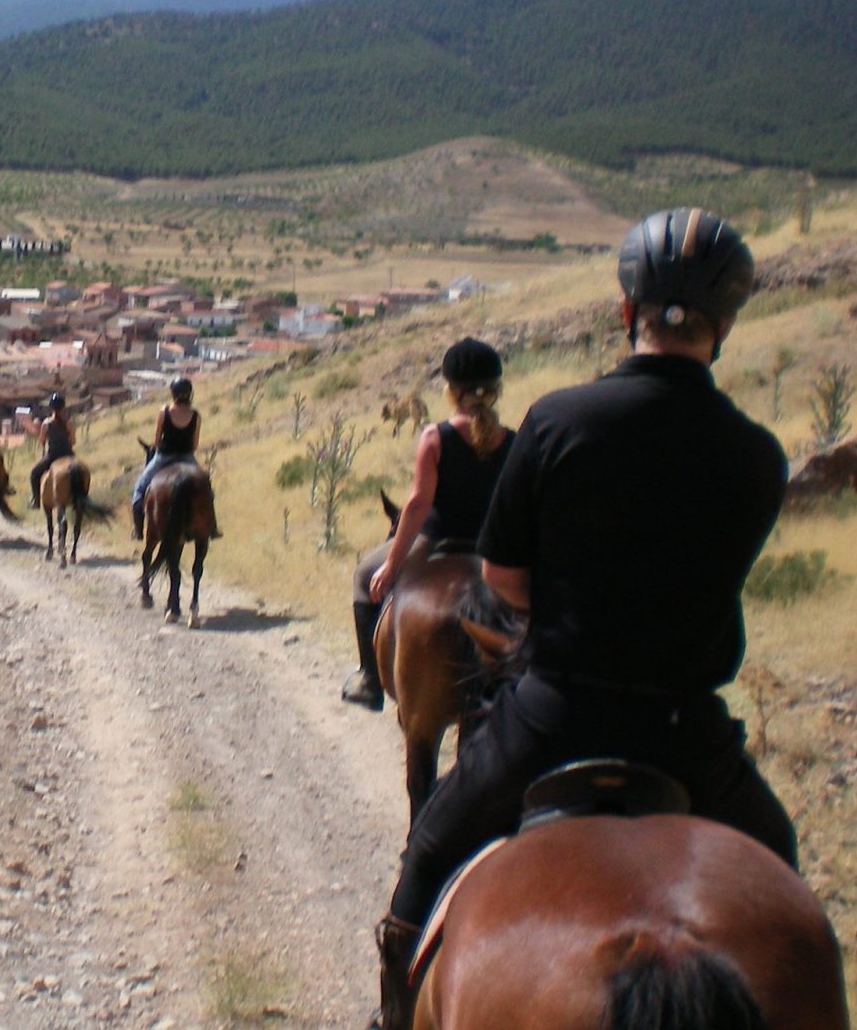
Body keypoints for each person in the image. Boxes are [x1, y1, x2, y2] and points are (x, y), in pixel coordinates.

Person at [371, 208, 798, 1030]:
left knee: (426, 856)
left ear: (625, 311)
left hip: (557, 713)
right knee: (780, 866)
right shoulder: (756, 453)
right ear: (727, 325)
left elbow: (501, 576)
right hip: (688, 732)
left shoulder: (558, 421)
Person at [341, 338, 513, 711]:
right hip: (490, 548)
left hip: (435, 542)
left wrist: (391, 565)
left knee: (361, 575)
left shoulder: (435, 436)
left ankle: (370, 679)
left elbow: (418, 505)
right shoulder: (512, 440)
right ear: (496, 391)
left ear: (451, 391)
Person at [131, 377, 201, 539]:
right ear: (189, 394)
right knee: (207, 489)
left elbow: (156, 441)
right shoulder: (196, 415)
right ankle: (212, 527)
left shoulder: (164, 411)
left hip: (164, 456)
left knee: (139, 489)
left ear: (173, 393)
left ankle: (138, 530)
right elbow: (195, 445)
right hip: (186, 458)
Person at [28, 392, 75, 498]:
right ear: (63, 407)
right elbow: (73, 441)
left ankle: (35, 499)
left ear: (51, 408)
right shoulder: (68, 422)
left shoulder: (46, 423)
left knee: (34, 474)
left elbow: (42, 440)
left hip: (52, 456)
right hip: (68, 454)